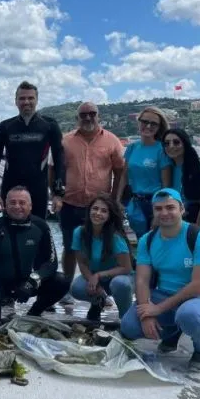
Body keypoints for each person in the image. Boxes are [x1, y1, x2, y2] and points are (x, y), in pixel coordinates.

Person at [120, 189, 200, 373]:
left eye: (170, 207)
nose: (164, 213)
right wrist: (147, 313)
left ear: (182, 209)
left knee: (190, 315)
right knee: (129, 325)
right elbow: (142, 280)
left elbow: (199, 285)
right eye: (158, 209)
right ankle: (173, 331)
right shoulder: (147, 240)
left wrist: (158, 309)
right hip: (164, 294)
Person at [0, 187, 71, 327]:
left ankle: (33, 314)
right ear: (5, 205)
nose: (17, 206)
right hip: (0, 282)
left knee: (62, 281)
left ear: (30, 206)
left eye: (22, 203)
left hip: (27, 282)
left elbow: (51, 262)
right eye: (12, 203)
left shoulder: (40, 226)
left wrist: (32, 281)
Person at [58, 102, 125, 286]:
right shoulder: (65, 141)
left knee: (104, 246)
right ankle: (67, 287)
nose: (88, 117)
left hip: (100, 206)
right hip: (70, 203)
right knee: (69, 246)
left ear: (99, 116)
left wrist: (115, 198)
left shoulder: (112, 140)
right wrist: (55, 194)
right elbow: (54, 169)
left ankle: (101, 286)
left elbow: (120, 171)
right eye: (83, 114)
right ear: (77, 118)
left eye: (92, 113)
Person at [0, 81, 65, 220]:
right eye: (22, 98)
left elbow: (59, 160)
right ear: (16, 101)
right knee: (8, 234)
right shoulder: (5, 126)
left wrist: (58, 194)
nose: (26, 102)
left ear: (36, 100)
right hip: (10, 189)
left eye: (30, 98)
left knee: (37, 233)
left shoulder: (50, 125)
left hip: (38, 190)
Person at [68, 194, 133, 320]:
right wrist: (92, 279)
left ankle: (125, 317)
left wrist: (98, 275)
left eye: (104, 211)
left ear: (109, 216)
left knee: (120, 284)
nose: (98, 213)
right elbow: (82, 263)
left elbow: (126, 268)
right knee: (76, 288)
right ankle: (98, 302)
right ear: (89, 210)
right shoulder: (79, 232)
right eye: (95, 208)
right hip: (97, 276)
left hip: (119, 277)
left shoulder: (115, 237)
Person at [116, 106, 172, 237]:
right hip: (135, 203)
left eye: (153, 123)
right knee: (141, 240)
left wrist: (160, 212)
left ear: (159, 127)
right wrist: (118, 200)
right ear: (138, 122)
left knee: (158, 240)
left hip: (155, 202)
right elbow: (124, 176)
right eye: (144, 121)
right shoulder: (132, 147)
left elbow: (166, 185)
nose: (148, 126)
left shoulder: (162, 149)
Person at [162, 128, 200, 225]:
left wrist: (197, 230)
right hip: (175, 222)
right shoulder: (168, 169)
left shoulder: (197, 169)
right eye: (167, 143)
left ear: (185, 144)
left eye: (176, 142)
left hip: (193, 221)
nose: (171, 146)